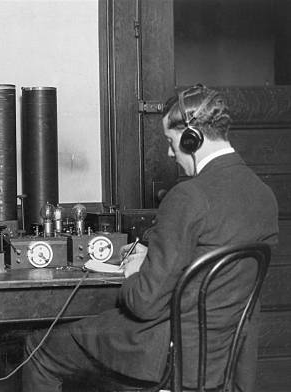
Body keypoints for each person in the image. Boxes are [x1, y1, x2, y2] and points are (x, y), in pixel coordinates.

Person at [21, 84, 279, 392]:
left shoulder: (188, 196)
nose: (170, 153)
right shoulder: (264, 195)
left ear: (191, 138)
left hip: (169, 354)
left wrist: (133, 273)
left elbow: (144, 303)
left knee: (39, 349)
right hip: (223, 360)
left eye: (171, 142)